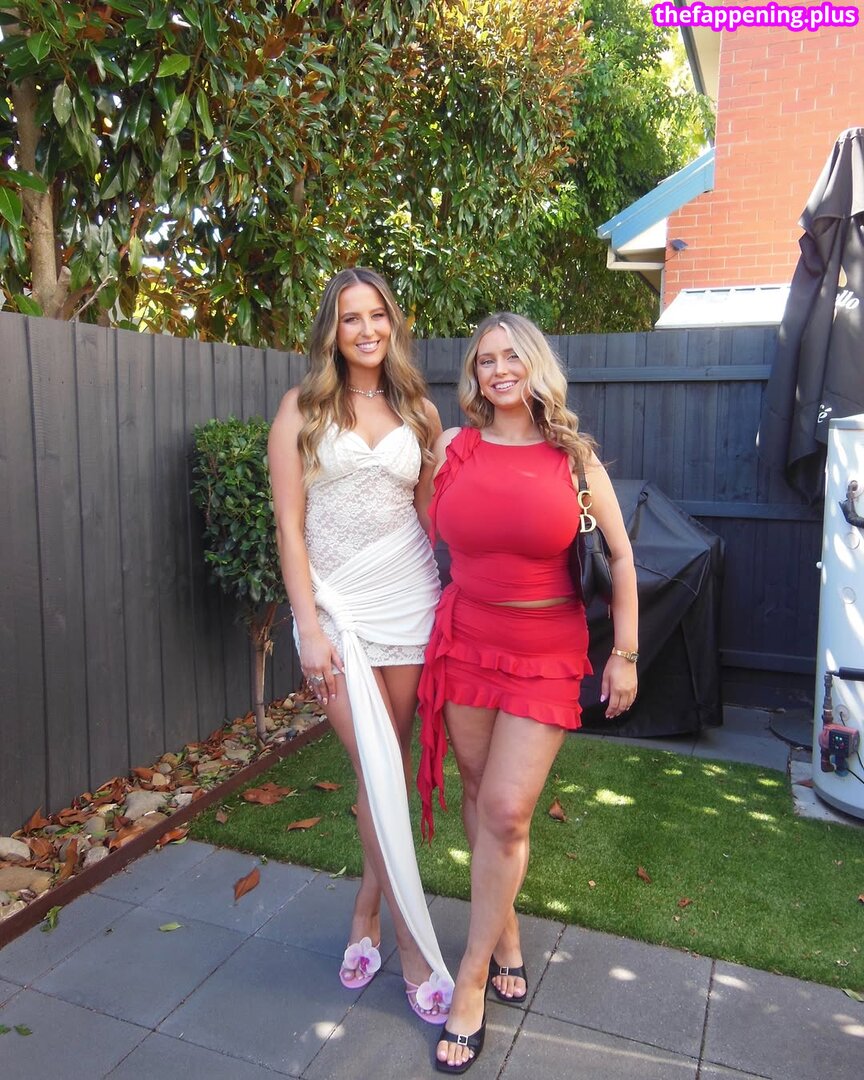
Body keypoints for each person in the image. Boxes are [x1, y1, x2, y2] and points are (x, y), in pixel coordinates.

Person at [416, 312, 639, 1072]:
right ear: (474, 375)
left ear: (536, 365)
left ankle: (470, 979)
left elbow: (621, 558)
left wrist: (625, 656)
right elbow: (419, 527)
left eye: (512, 356)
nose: (499, 370)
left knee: (508, 810)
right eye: (485, 360)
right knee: (479, 792)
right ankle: (504, 930)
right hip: (467, 640)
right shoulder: (453, 447)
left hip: (545, 650)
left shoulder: (575, 460)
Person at [268, 267, 453, 1023]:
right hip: (337, 608)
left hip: (410, 600)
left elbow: (434, 518)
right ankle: (415, 949)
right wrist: (308, 627)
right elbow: (290, 528)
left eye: (378, 315)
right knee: (376, 769)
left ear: (393, 324)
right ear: (333, 331)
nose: (367, 329)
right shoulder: (302, 409)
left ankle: (364, 915)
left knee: (388, 772)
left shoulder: (421, 412)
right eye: (351, 318)